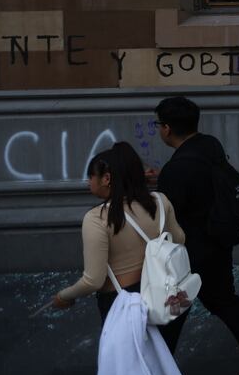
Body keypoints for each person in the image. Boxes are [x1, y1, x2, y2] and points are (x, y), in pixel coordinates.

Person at [154, 96, 239, 375]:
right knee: (223, 302)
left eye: (159, 125)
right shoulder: (209, 145)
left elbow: (167, 217)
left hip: (189, 252)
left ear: (166, 128)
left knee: (172, 312)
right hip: (217, 243)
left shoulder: (176, 169)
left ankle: (153, 371)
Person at [53, 142, 188, 353]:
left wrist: (64, 296)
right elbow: (179, 239)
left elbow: (93, 280)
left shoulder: (97, 218)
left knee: (130, 369)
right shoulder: (160, 201)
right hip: (166, 296)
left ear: (106, 179)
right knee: (160, 363)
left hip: (124, 305)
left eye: (91, 176)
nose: (89, 181)